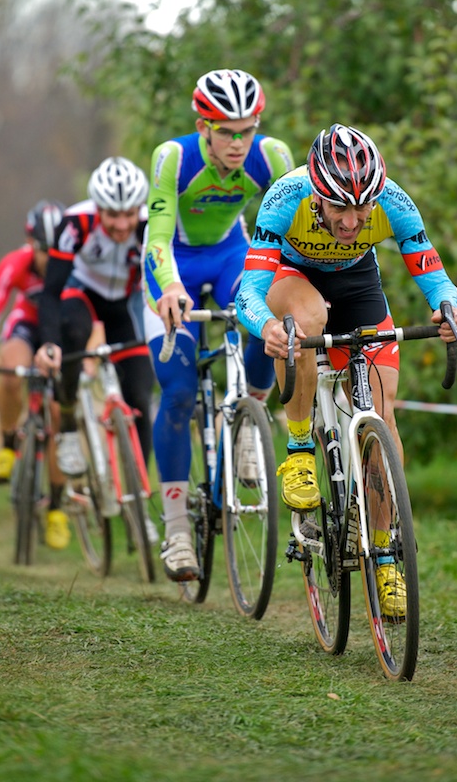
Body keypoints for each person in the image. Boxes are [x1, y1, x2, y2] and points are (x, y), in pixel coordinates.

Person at [235, 123, 457, 616]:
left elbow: (436, 279)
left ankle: (384, 556)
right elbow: (248, 294)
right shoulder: (285, 198)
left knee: (382, 419)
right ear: (317, 194)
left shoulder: (394, 203)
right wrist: (267, 328)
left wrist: (450, 309)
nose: (351, 220)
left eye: (362, 209)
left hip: (358, 284)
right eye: (339, 207)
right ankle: (300, 449)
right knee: (306, 320)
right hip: (292, 277)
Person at [143, 68, 294, 582]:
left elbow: (290, 233)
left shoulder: (271, 157)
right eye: (226, 132)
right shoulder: (174, 157)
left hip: (231, 254)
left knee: (266, 317)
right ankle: (176, 529)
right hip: (173, 263)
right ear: (202, 127)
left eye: (246, 131)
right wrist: (169, 287)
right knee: (179, 392)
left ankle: (251, 418)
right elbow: (157, 236)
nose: (237, 143)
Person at [33, 157, 157, 540]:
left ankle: (137, 500)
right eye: (112, 215)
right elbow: (50, 293)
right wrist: (49, 343)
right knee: (72, 331)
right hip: (82, 294)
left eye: (128, 214)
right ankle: (69, 422)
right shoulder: (75, 223)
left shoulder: (151, 223)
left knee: (140, 394)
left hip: (124, 304)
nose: (121, 225)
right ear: (97, 207)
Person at [0, 199, 71, 550]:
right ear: (31, 244)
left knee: (59, 415)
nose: (51, 259)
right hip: (26, 326)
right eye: (45, 251)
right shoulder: (15, 263)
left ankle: (57, 509)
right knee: (10, 370)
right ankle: (7, 444)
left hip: (61, 332)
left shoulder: (75, 263)